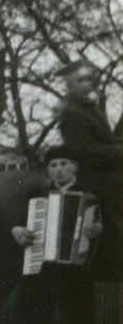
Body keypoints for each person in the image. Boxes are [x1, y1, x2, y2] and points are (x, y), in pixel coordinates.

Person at [11, 146, 101, 324]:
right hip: (41, 272)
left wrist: (98, 231)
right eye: (53, 165)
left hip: (76, 276)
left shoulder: (93, 197)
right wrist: (16, 231)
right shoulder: (36, 196)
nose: (58, 170)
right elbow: (18, 224)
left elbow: (105, 237)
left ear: (74, 167)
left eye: (63, 164)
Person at [55, 59, 123, 283]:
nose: (87, 84)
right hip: (95, 176)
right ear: (69, 85)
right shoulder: (73, 113)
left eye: (89, 79)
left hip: (105, 171)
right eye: (80, 80)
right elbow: (83, 152)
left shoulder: (87, 109)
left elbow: (106, 142)